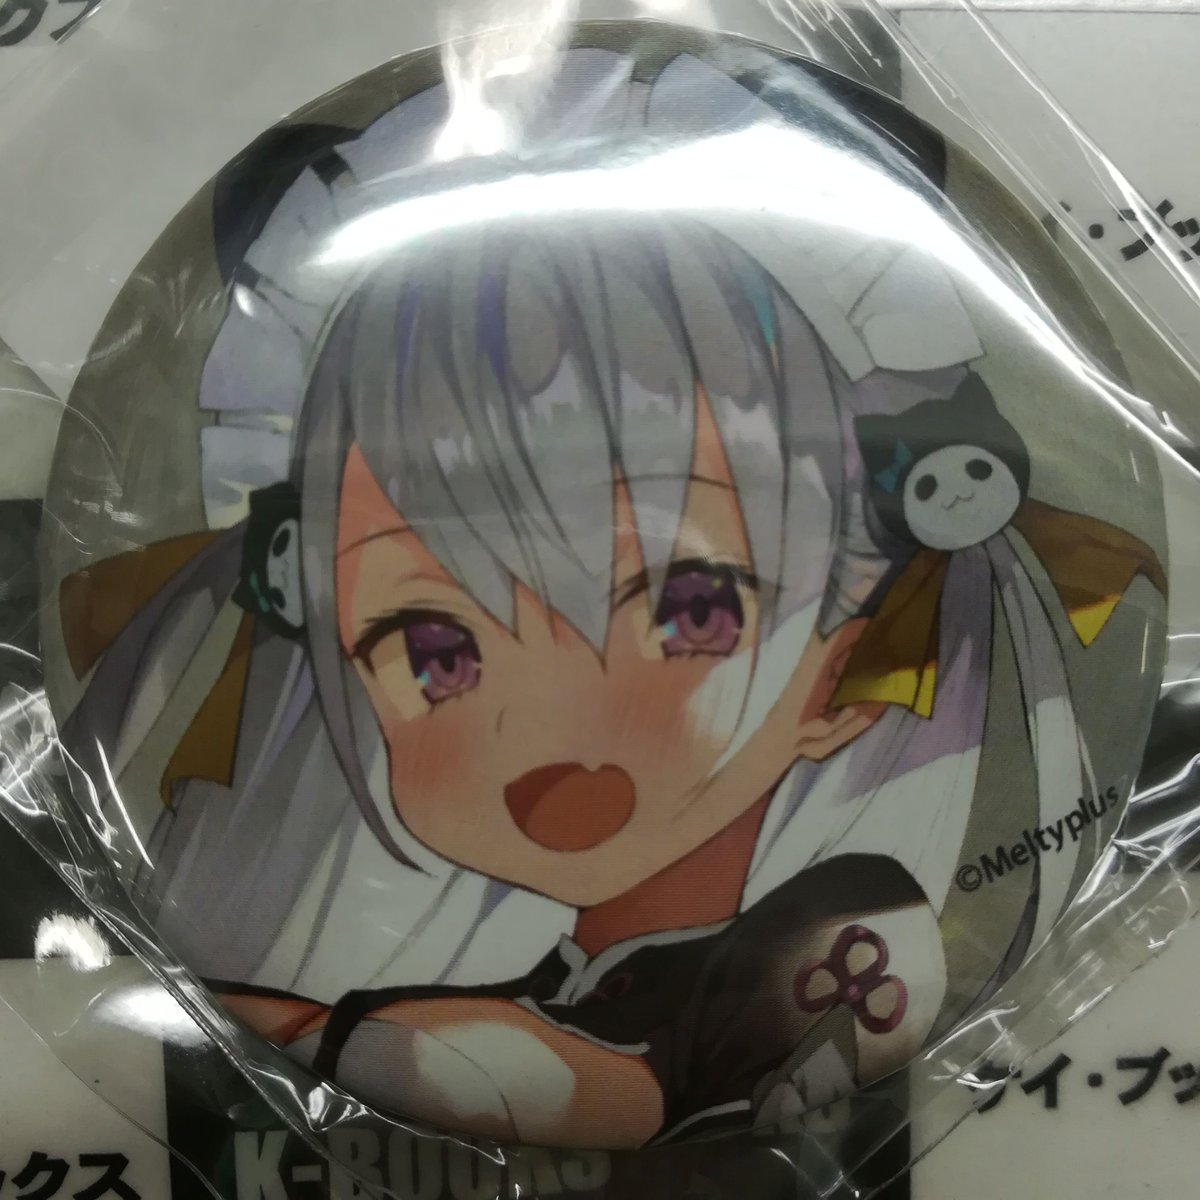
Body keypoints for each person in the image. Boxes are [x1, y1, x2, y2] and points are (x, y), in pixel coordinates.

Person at [55, 46, 1164, 1147]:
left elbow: (613, 1084)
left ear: (848, 664)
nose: (545, 724)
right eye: (437, 650)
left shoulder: (852, 926)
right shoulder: (485, 968)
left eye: (691, 612)